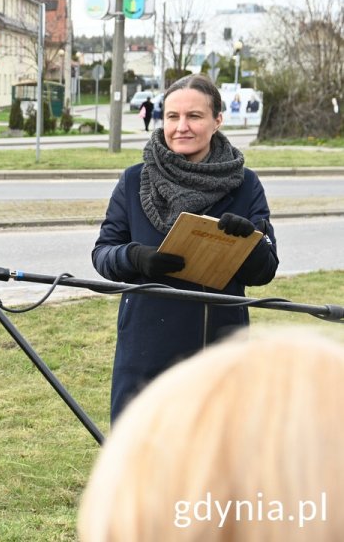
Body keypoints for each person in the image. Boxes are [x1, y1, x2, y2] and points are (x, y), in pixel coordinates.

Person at [91, 73, 279, 422]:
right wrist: (134, 256)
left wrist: (249, 242)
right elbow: (103, 253)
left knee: (215, 460)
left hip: (219, 347)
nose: (182, 127)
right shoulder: (134, 179)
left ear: (217, 120)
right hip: (146, 347)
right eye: (172, 116)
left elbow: (265, 270)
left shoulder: (245, 184)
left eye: (194, 116)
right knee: (144, 458)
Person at [78, 326, 344, 541]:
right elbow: (104, 259)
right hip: (153, 340)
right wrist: (134, 257)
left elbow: (264, 270)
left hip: (225, 334)